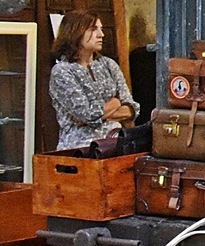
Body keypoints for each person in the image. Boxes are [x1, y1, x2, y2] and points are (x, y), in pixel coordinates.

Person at [50, 11, 139, 151]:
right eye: (93, 29)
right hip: (80, 149)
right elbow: (86, 114)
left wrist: (94, 118)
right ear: (75, 32)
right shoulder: (62, 71)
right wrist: (116, 103)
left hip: (114, 144)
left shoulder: (108, 64)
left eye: (101, 29)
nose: (101, 34)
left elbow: (132, 109)